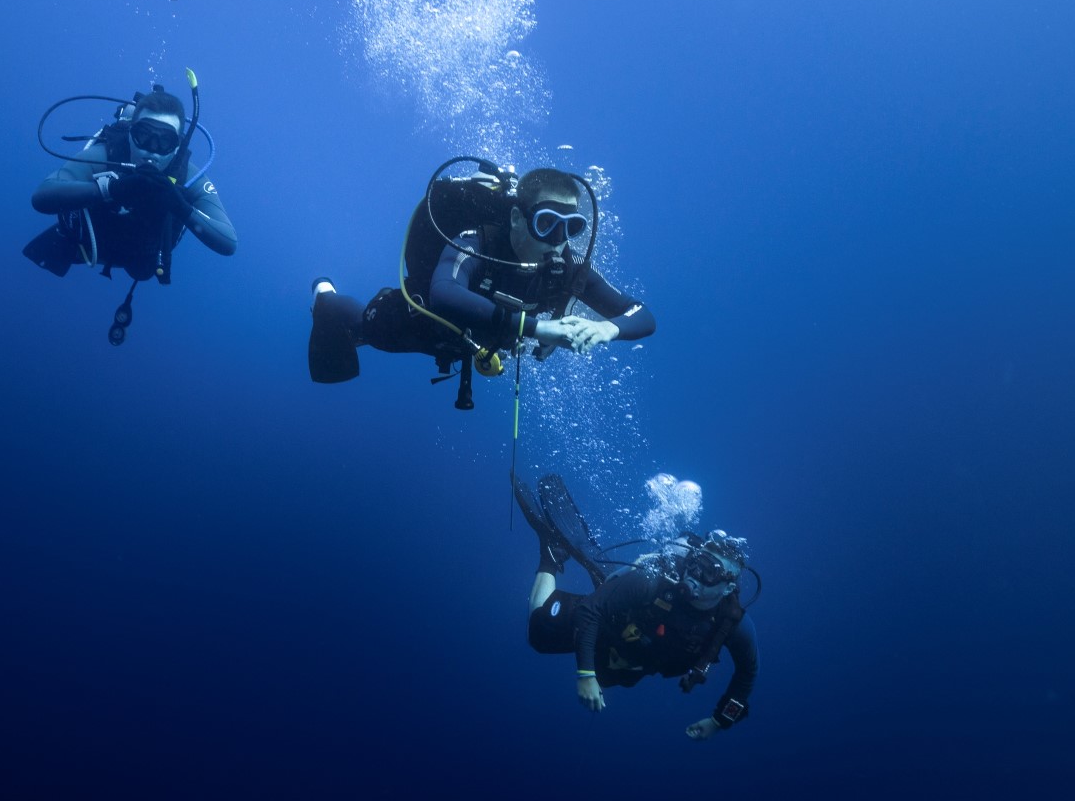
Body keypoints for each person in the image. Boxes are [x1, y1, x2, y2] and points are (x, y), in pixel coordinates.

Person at [308, 162, 655, 407]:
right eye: (547, 223)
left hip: (477, 343)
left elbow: (642, 315)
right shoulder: (476, 243)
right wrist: (539, 328)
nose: (558, 241)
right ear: (518, 218)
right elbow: (443, 292)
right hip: (428, 324)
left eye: (572, 228)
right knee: (366, 330)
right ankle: (325, 296)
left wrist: (608, 328)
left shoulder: (568, 267)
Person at [513, 472, 759, 740]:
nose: (695, 575)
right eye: (696, 564)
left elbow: (747, 672)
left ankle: (603, 584)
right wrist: (585, 674)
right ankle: (550, 555)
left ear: (728, 588)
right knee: (537, 634)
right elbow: (590, 610)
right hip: (612, 619)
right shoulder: (654, 582)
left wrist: (719, 721)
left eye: (709, 572)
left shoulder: (733, 623)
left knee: (612, 674)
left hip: (633, 657)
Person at [24, 82, 236, 343]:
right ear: (130, 133)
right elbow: (42, 196)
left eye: (165, 141)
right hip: (85, 245)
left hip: (141, 256)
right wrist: (109, 188)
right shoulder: (106, 154)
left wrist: (180, 205)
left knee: (143, 272)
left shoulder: (187, 175)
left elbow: (228, 242)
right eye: (144, 136)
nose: (151, 150)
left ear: (178, 145)